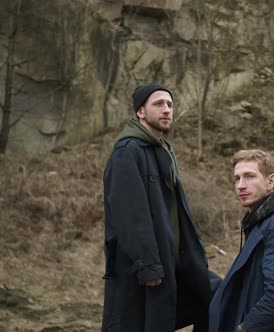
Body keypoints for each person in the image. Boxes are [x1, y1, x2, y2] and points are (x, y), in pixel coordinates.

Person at [102, 83, 217, 332]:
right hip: (147, 268)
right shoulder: (128, 152)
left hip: (174, 262)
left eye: (170, 105)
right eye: (158, 104)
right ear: (140, 112)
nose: (167, 110)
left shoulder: (161, 151)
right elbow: (130, 216)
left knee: (217, 296)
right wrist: (148, 264)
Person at [209, 149, 274, 332]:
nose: (240, 185)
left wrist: (246, 328)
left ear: (270, 181)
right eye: (237, 178)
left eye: (249, 176)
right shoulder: (260, 223)